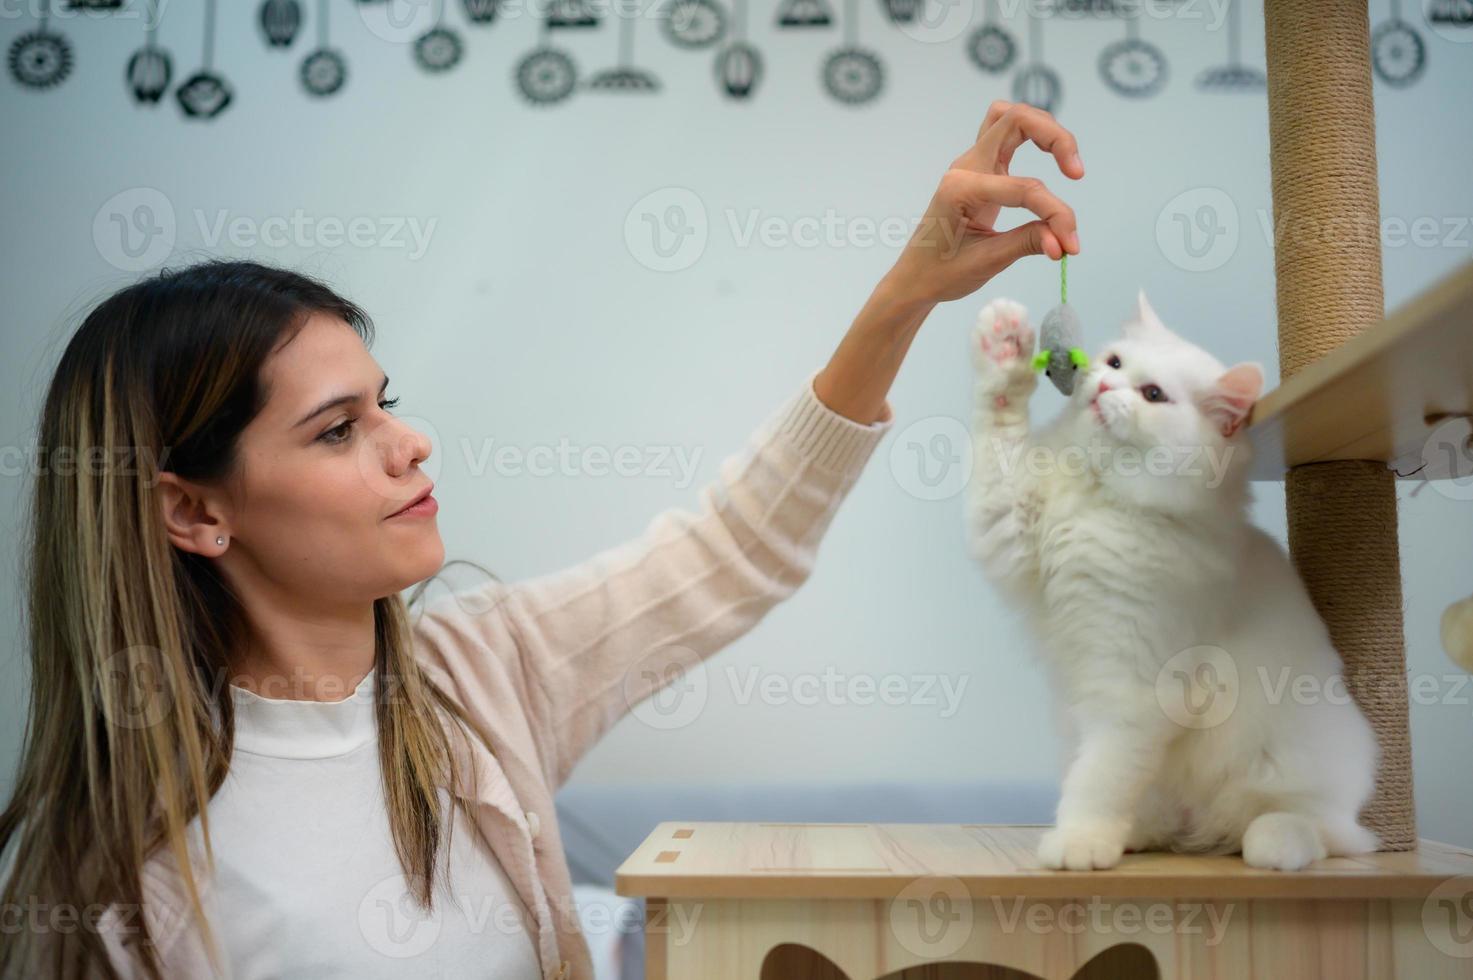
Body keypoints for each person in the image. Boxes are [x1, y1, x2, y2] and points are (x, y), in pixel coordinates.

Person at [0, 102, 1081, 980]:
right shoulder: (100, 873)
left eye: (387, 404)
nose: (410, 443)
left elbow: (732, 547)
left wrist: (904, 295)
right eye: (338, 429)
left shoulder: (479, 676)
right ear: (193, 511)